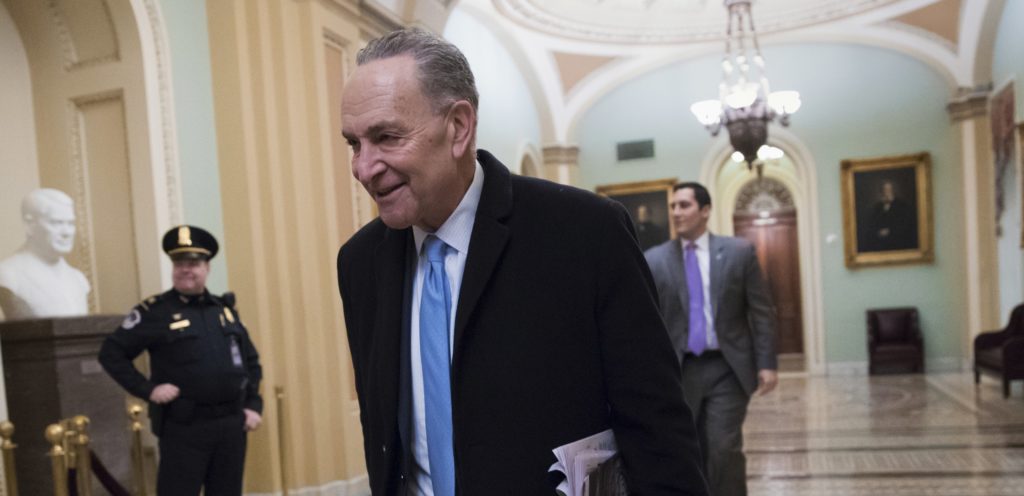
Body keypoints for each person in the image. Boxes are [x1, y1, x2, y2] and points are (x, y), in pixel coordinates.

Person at [336, 28, 707, 495]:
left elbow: (658, 431)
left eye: (386, 137)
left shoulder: (585, 232)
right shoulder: (360, 264)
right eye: (354, 144)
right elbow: (385, 437)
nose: (364, 168)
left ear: (458, 127)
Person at [98, 225, 262, 496]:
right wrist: (149, 390)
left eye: (193, 263)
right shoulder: (155, 312)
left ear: (207, 268)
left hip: (232, 425)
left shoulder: (223, 311)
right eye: (179, 263)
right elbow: (111, 353)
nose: (185, 269)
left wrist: (254, 405)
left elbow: (251, 362)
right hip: (185, 428)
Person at [644, 182, 778, 496]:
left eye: (684, 205)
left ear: (705, 211)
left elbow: (761, 311)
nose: (676, 212)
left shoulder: (738, 252)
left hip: (727, 368)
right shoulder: (655, 260)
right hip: (680, 370)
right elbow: (650, 322)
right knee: (687, 449)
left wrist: (767, 364)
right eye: (673, 206)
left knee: (723, 447)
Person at [0, 188, 90, 320]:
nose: (67, 233)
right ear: (29, 225)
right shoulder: (8, 274)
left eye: (71, 223)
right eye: (56, 223)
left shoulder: (78, 279)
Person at [859, 180, 916, 252]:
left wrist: (890, 231)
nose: (886, 192)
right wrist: (878, 232)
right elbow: (872, 224)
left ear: (893, 191)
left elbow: (904, 225)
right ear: (882, 192)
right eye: (884, 190)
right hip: (880, 242)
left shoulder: (902, 205)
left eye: (889, 189)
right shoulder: (878, 206)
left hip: (898, 242)